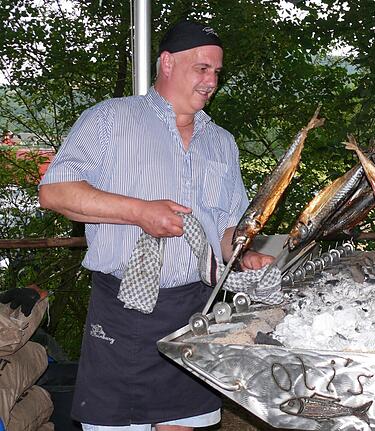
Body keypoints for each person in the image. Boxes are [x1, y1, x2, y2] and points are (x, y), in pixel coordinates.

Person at [38, 20, 274, 431]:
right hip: (122, 312)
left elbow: (225, 226)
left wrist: (243, 252)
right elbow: (55, 192)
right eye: (202, 68)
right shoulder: (111, 119)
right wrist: (139, 211)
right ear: (166, 63)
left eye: (216, 72)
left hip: (196, 311)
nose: (211, 81)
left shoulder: (222, 142)